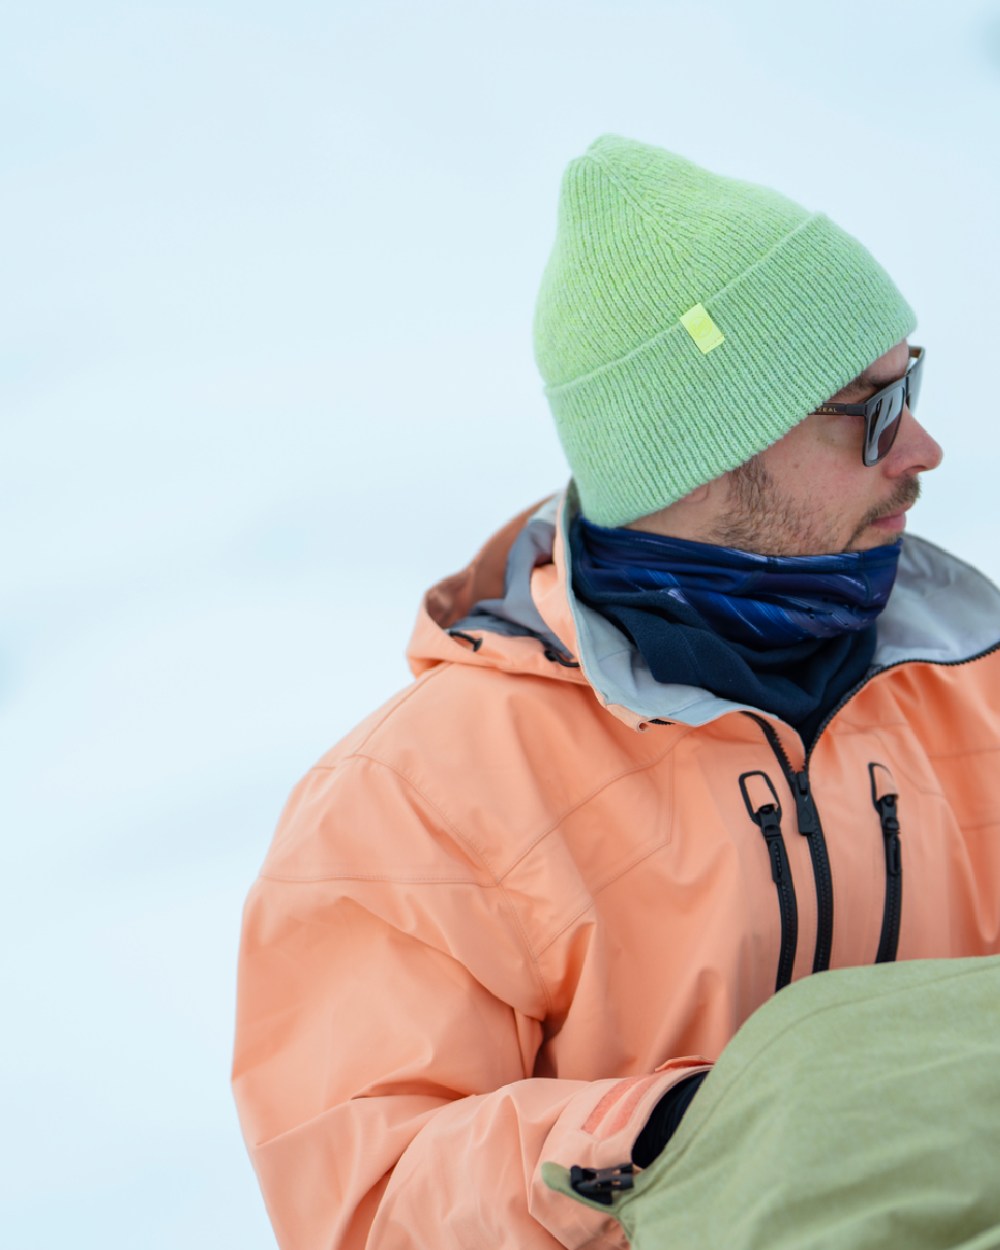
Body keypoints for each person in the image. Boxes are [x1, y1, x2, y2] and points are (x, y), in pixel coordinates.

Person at [232, 135, 1000, 1249]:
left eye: (911, 384)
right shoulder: (416, 795)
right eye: (868, 407)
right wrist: (689, 1134)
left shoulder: (975, 687)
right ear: (706, 451)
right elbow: (367, 1197)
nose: (921, 446)